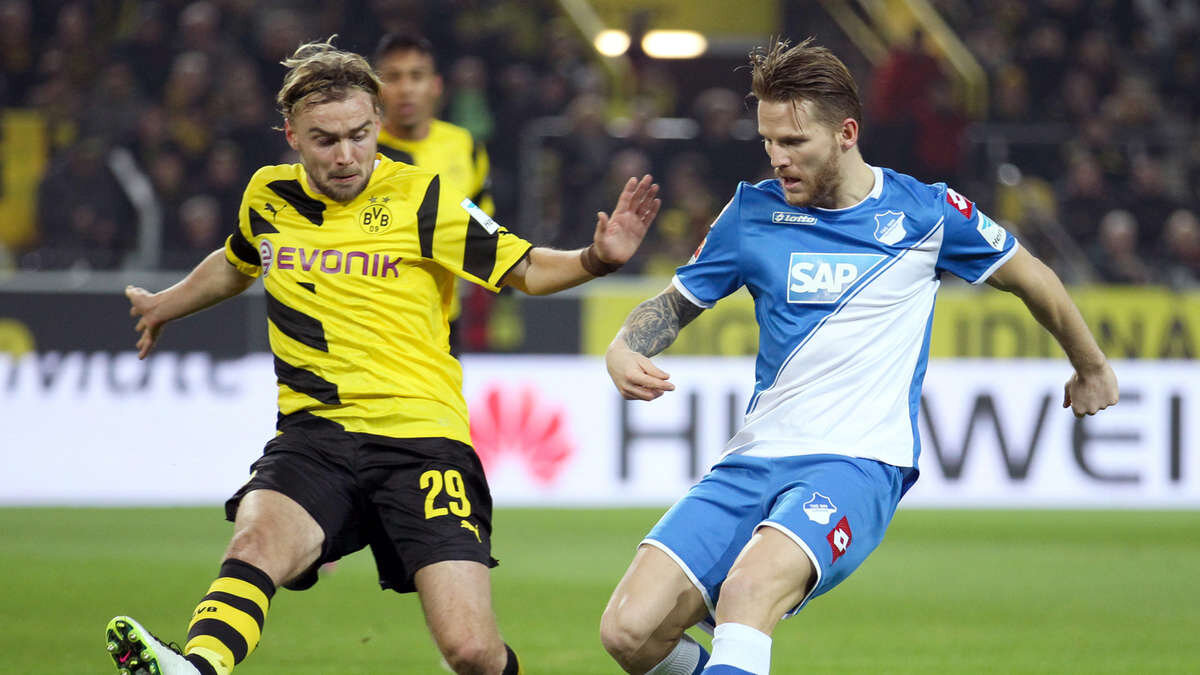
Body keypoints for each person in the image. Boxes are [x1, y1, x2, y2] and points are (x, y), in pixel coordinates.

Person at [105, 38, 660, 675]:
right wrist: (166, 304)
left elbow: (525, 268)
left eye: (359, 135)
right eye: (325, 140)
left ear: (377, 123)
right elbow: (238, 261)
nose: (346, 156)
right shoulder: (267, 195)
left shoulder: (424, 198)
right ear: (292, 135)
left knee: (472, 652)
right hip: (314, 436)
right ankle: (197, 667)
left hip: (421, 441)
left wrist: (596, 259)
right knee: (255, 543)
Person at [598, 38, 1118, 675]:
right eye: (768, 141)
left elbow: (1031, 275)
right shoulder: (751, 214)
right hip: (754, 459)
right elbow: (673, 305)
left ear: (846, 133)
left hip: (857, 462)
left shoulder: (927, 213)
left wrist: (1091, 365)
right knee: (629, 630)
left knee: (749, 591)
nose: (777, 158)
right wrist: (624, 346)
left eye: (794, 142)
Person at [373, 31, 492, 352]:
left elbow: (481, 217)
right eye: (393, 77)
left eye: (416, 76)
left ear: (435, 85)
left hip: (442, 320)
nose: (406, 89)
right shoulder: (361, 152)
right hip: (375, 322)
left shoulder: (464, 146)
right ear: (377, 89)